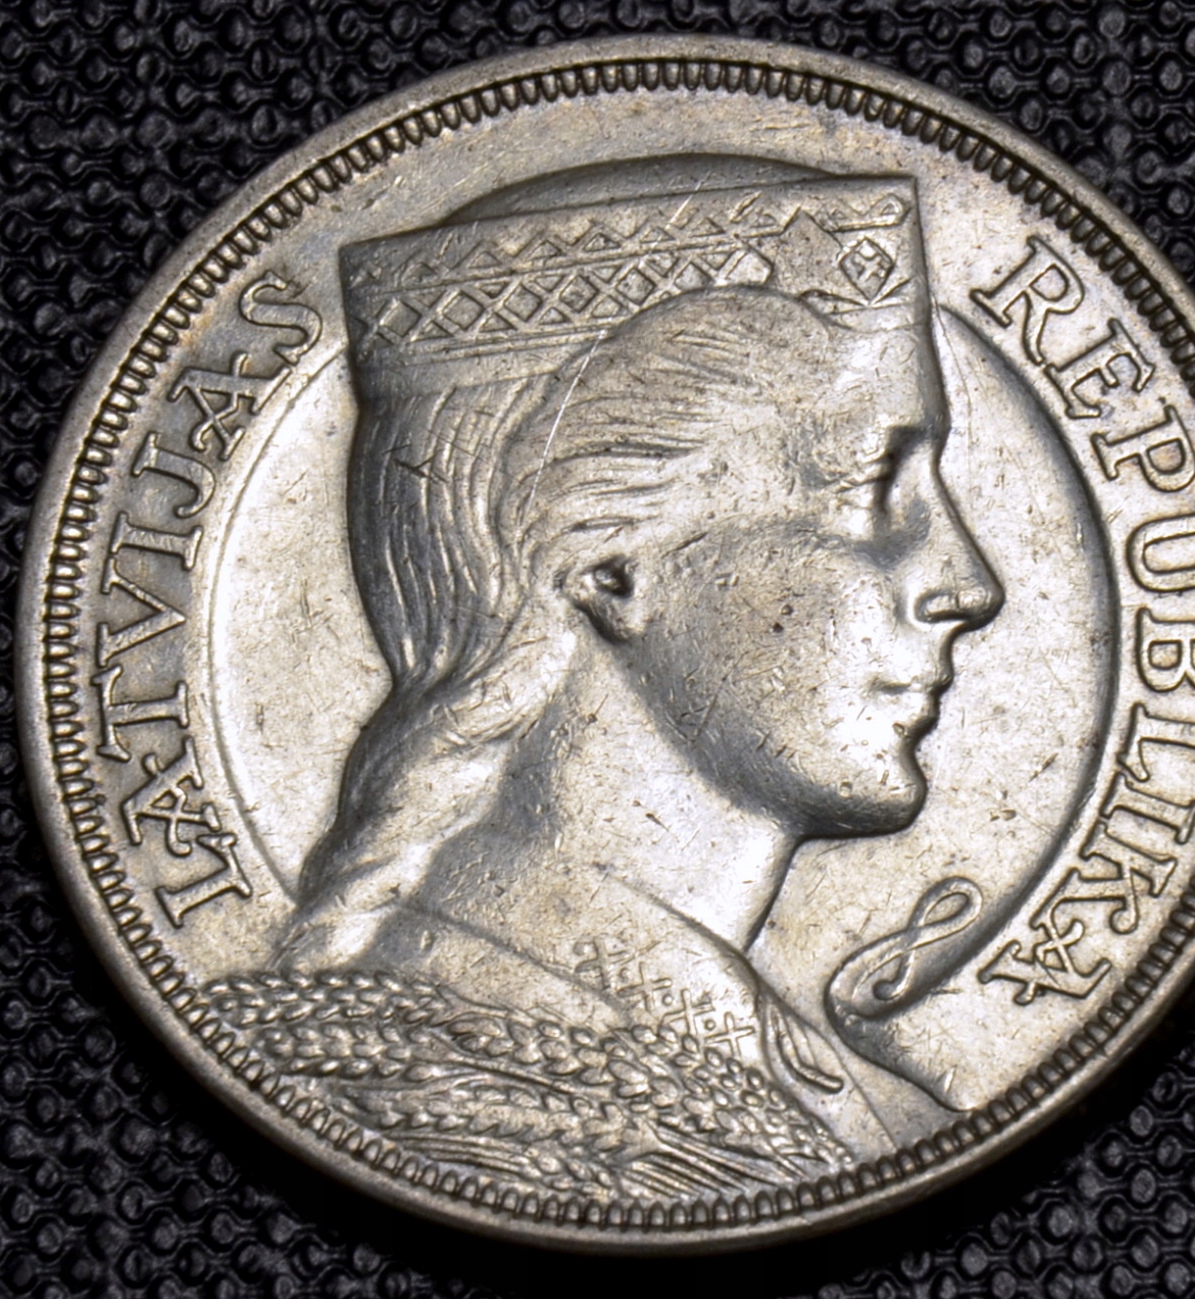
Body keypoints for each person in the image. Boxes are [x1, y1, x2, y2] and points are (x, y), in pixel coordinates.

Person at [244, 175, 1003, 1198]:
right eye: (873, 487)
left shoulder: (861, 1108)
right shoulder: (416, 1082)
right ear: (612, 569)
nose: (970, 585)